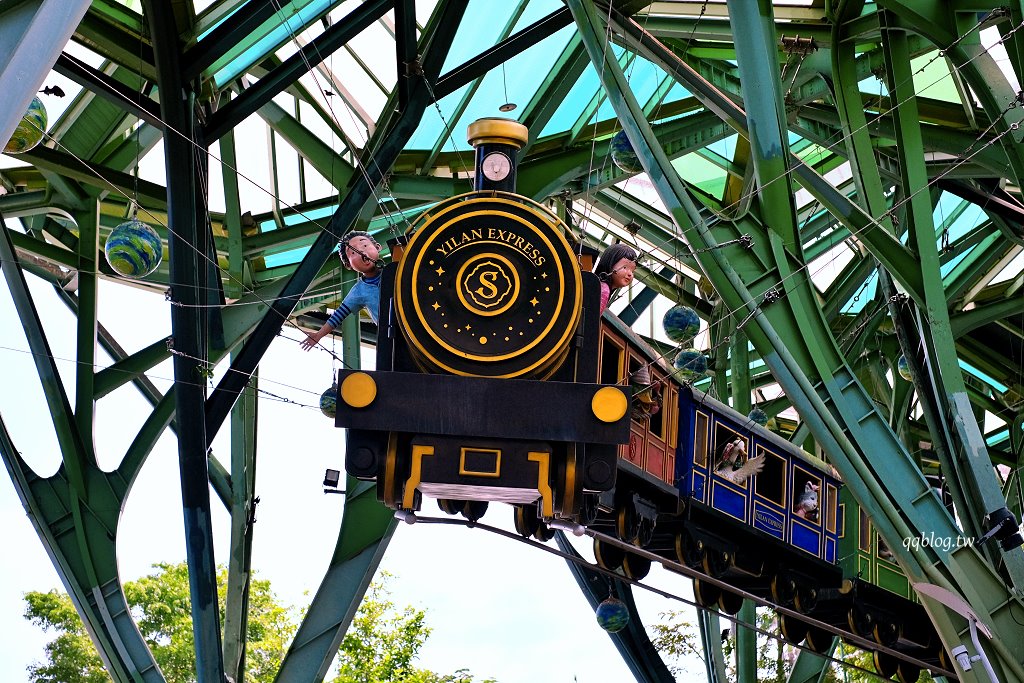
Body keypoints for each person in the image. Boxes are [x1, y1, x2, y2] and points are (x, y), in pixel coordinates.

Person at [300, 231, 384, 351]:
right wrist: (318, 335)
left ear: (378, 247)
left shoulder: (397, 269)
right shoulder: (359, 291)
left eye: (365, 245)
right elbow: (338, 316)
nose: (362, 252)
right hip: (391, 333)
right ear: (348, 265)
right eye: (353, 253)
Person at [594, 243, 637, 313]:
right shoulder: (604, 291)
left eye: (632, 271)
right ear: (610, 264)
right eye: (624, 267)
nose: (630, 274)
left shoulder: (600, 286)